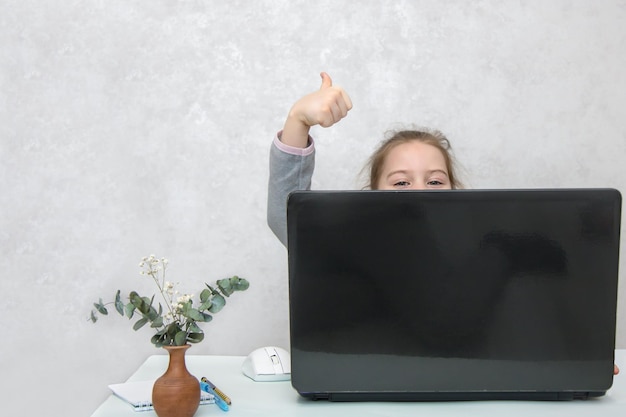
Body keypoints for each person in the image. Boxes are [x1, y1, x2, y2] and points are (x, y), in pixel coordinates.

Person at [266, 72, 620, 376]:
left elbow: (514, 324)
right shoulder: (354, 235)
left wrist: (580, 358)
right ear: (372, 192)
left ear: (455, 190)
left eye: (434, 181)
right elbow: (286, 215)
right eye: (401, 182)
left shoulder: (467, 249)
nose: (419, 193)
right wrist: (299, 119)